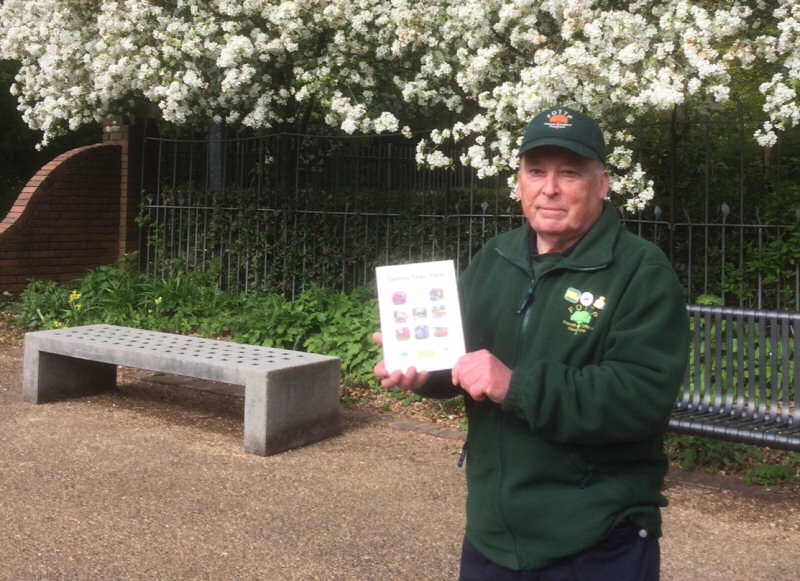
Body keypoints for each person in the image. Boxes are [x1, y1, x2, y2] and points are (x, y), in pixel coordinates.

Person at [373, 106, 689, 580]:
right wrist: (422, 370)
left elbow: (641, 398)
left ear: (602, 183)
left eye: (570, 173)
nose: (550, 188)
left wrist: (514, 386)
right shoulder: (495, 257)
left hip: (597, 536)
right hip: (492, 534)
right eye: (536, 171)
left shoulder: (640, 272)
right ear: (519, 182)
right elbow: (461, 361)